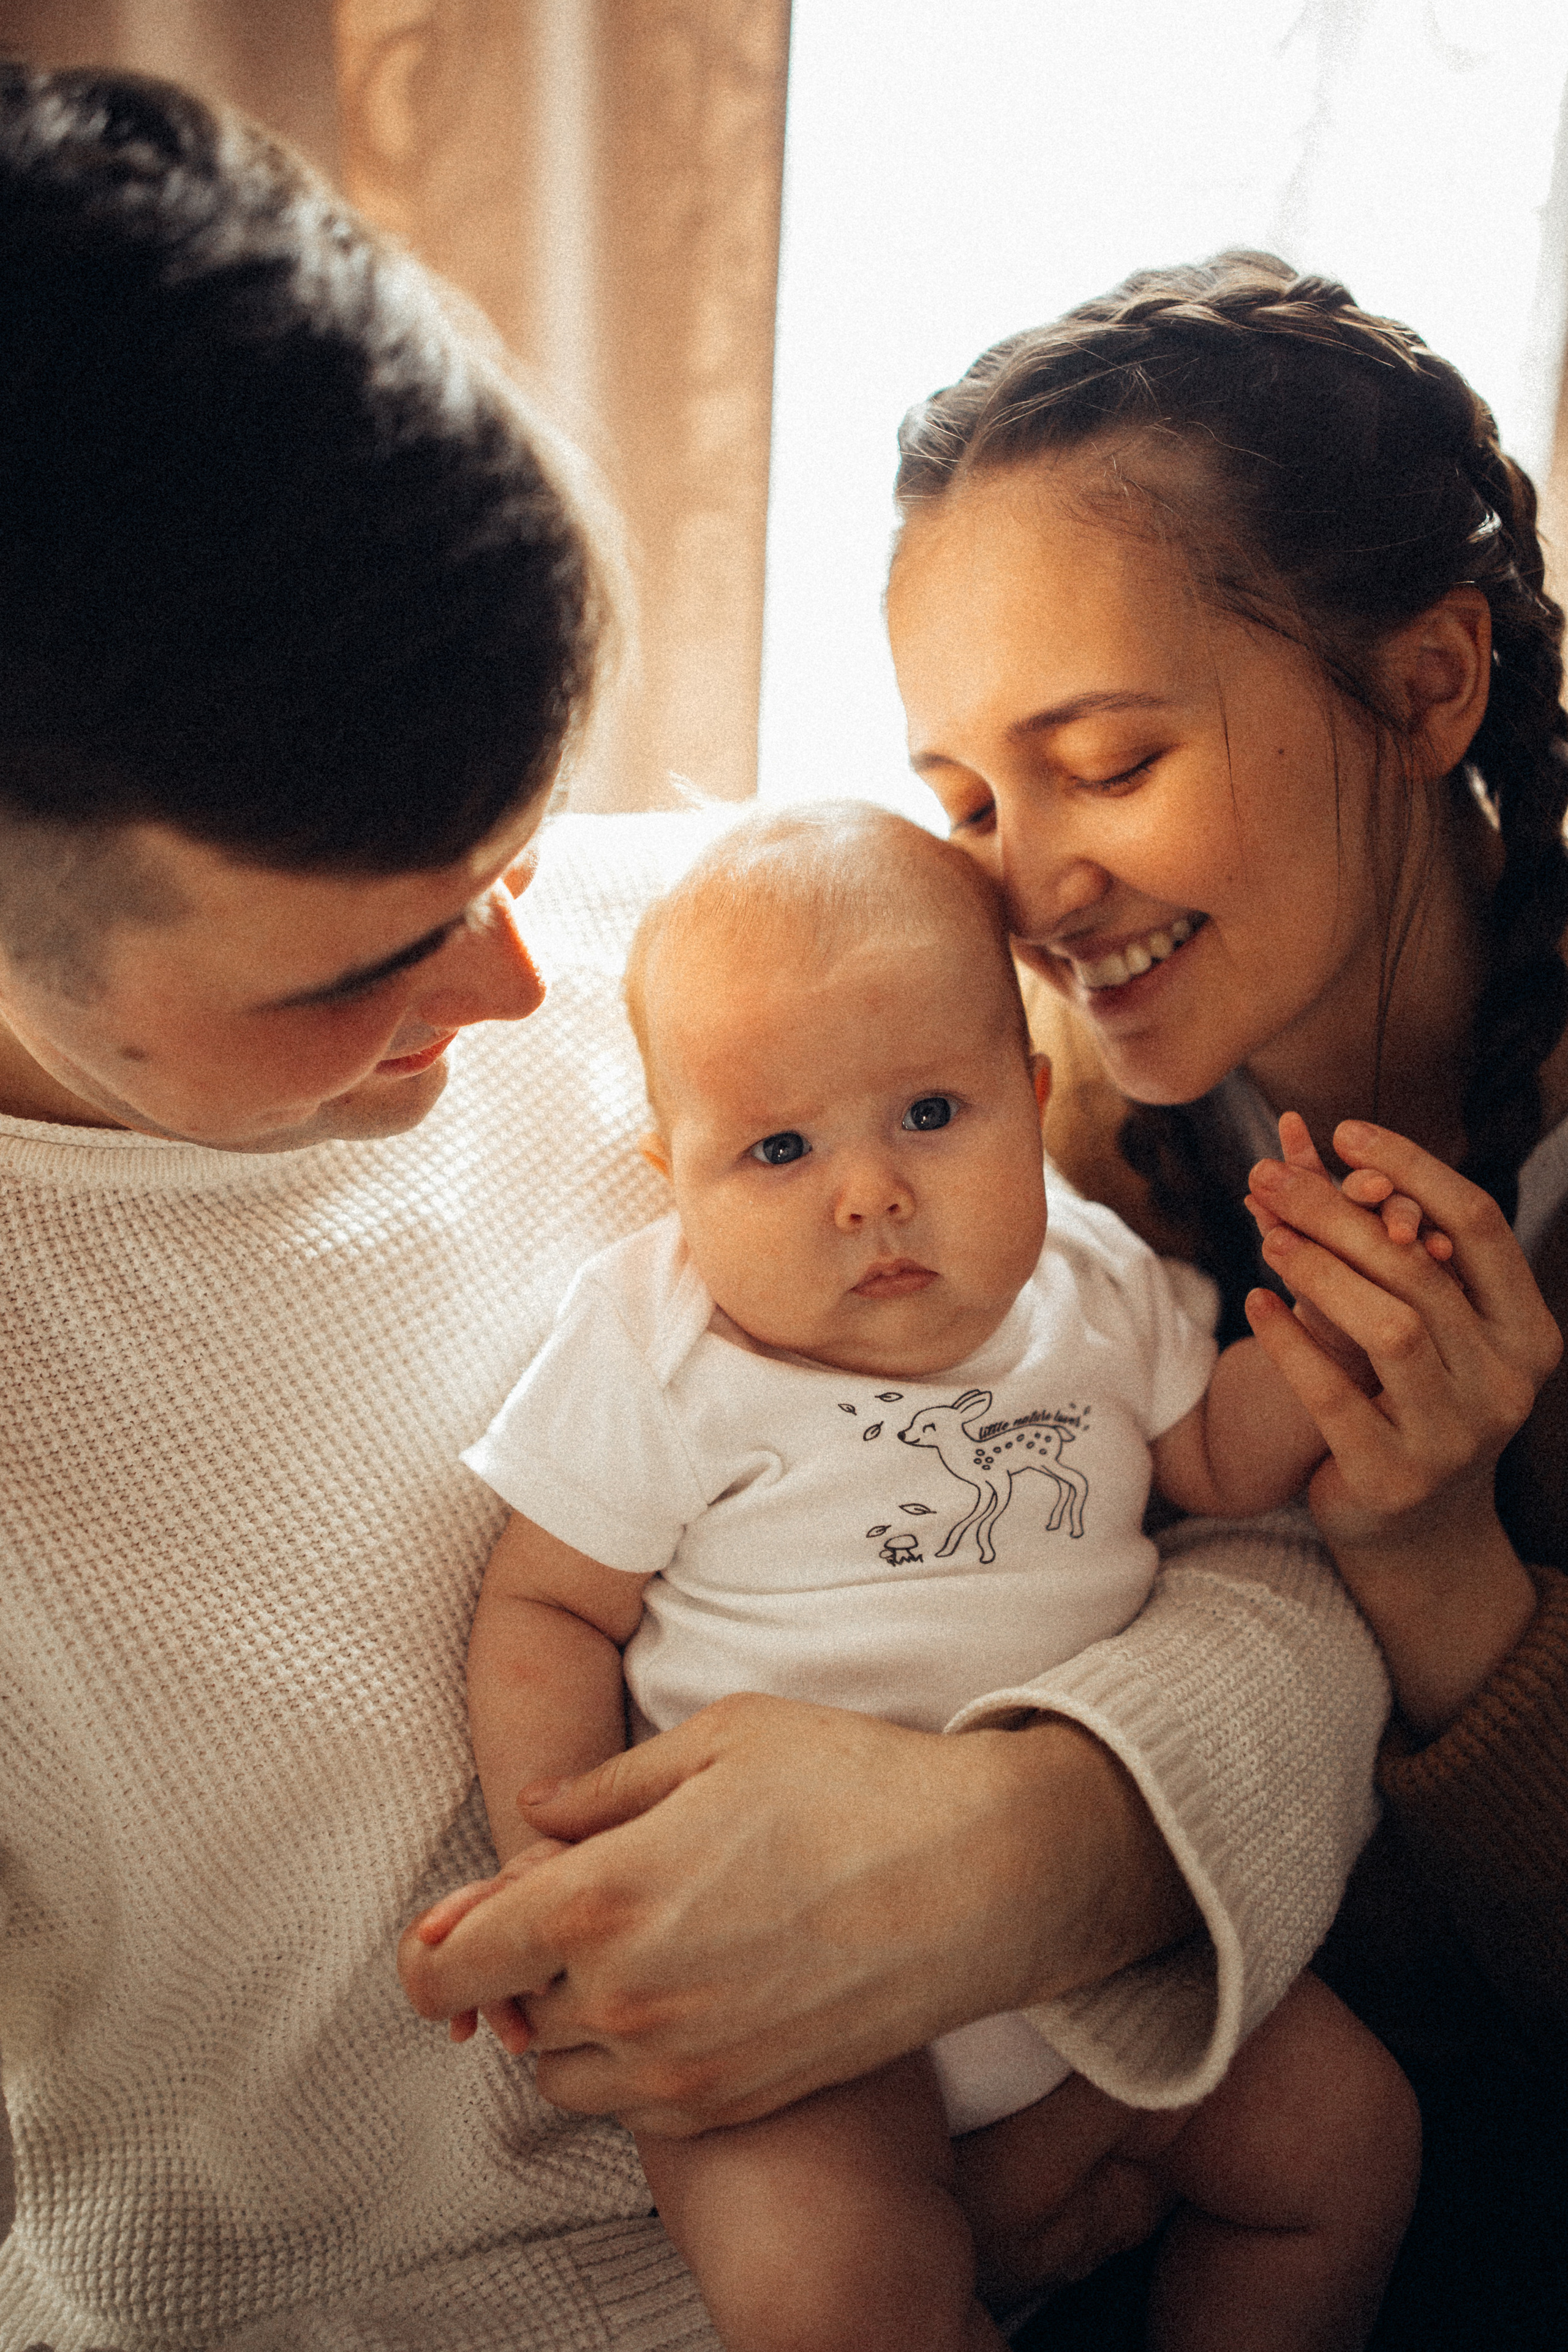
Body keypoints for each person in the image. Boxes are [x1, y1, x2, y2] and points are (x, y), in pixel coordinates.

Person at [0, 64, 1425, 2349]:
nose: (526, 985)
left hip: (1099, 2104)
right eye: (378, 951)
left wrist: (1049, 1851)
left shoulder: (757, 983)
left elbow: (1184, 1514)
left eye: (525, 840)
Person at [405, 800, 1421, 2352]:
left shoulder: (1093, 1275)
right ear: (671, 1176)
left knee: (1347, 2147)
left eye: (930, 1116)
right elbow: (546, 1605)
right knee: (833, 2296)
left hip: (1098, 1957)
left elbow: (1212, 1469)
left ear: (1026, 1099)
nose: (867, 1192)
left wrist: (1329, 1338)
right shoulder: (658, 1341)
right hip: (782, 2008)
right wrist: (555, 1874)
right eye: (778, 1149)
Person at [872, 250, 1568, 2348]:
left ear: (1428, 688)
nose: (1031, 887)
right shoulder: (1084, 1132)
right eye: (974, 802)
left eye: (1107, 759)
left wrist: (1444, 1565)